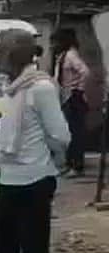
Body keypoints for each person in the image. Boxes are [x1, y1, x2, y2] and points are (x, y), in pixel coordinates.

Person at [0, 29, 70, 253]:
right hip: (10, 177)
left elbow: (60, 135)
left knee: (33, 245)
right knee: (3, 242)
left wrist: (44, 156)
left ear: (15, 54)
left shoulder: (40, 88)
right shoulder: (12, 88)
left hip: (34, 178)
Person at [52, 28, 90, 176]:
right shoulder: (61, 56)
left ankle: (77, 165)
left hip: (73, 97)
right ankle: (69, 163)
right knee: (67, 132)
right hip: (65, 97)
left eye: (56, 42)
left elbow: (85, 72)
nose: (53, 45)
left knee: (75, 132)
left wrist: (78, 88)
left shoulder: (71, 55)